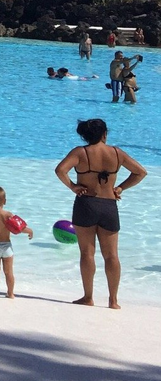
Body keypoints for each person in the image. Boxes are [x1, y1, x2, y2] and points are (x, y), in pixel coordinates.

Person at [54, 118, 148, 309]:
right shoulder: (116, 153)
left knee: (87, 253)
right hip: (108, 206)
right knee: (112, 255)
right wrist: (120, 188)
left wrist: (73, 186)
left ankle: (88, 297)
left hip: (85, 204)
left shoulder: (80, 152)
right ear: (104, 134)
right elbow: (140, 172)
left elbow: (60, 170)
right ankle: (113, 300)